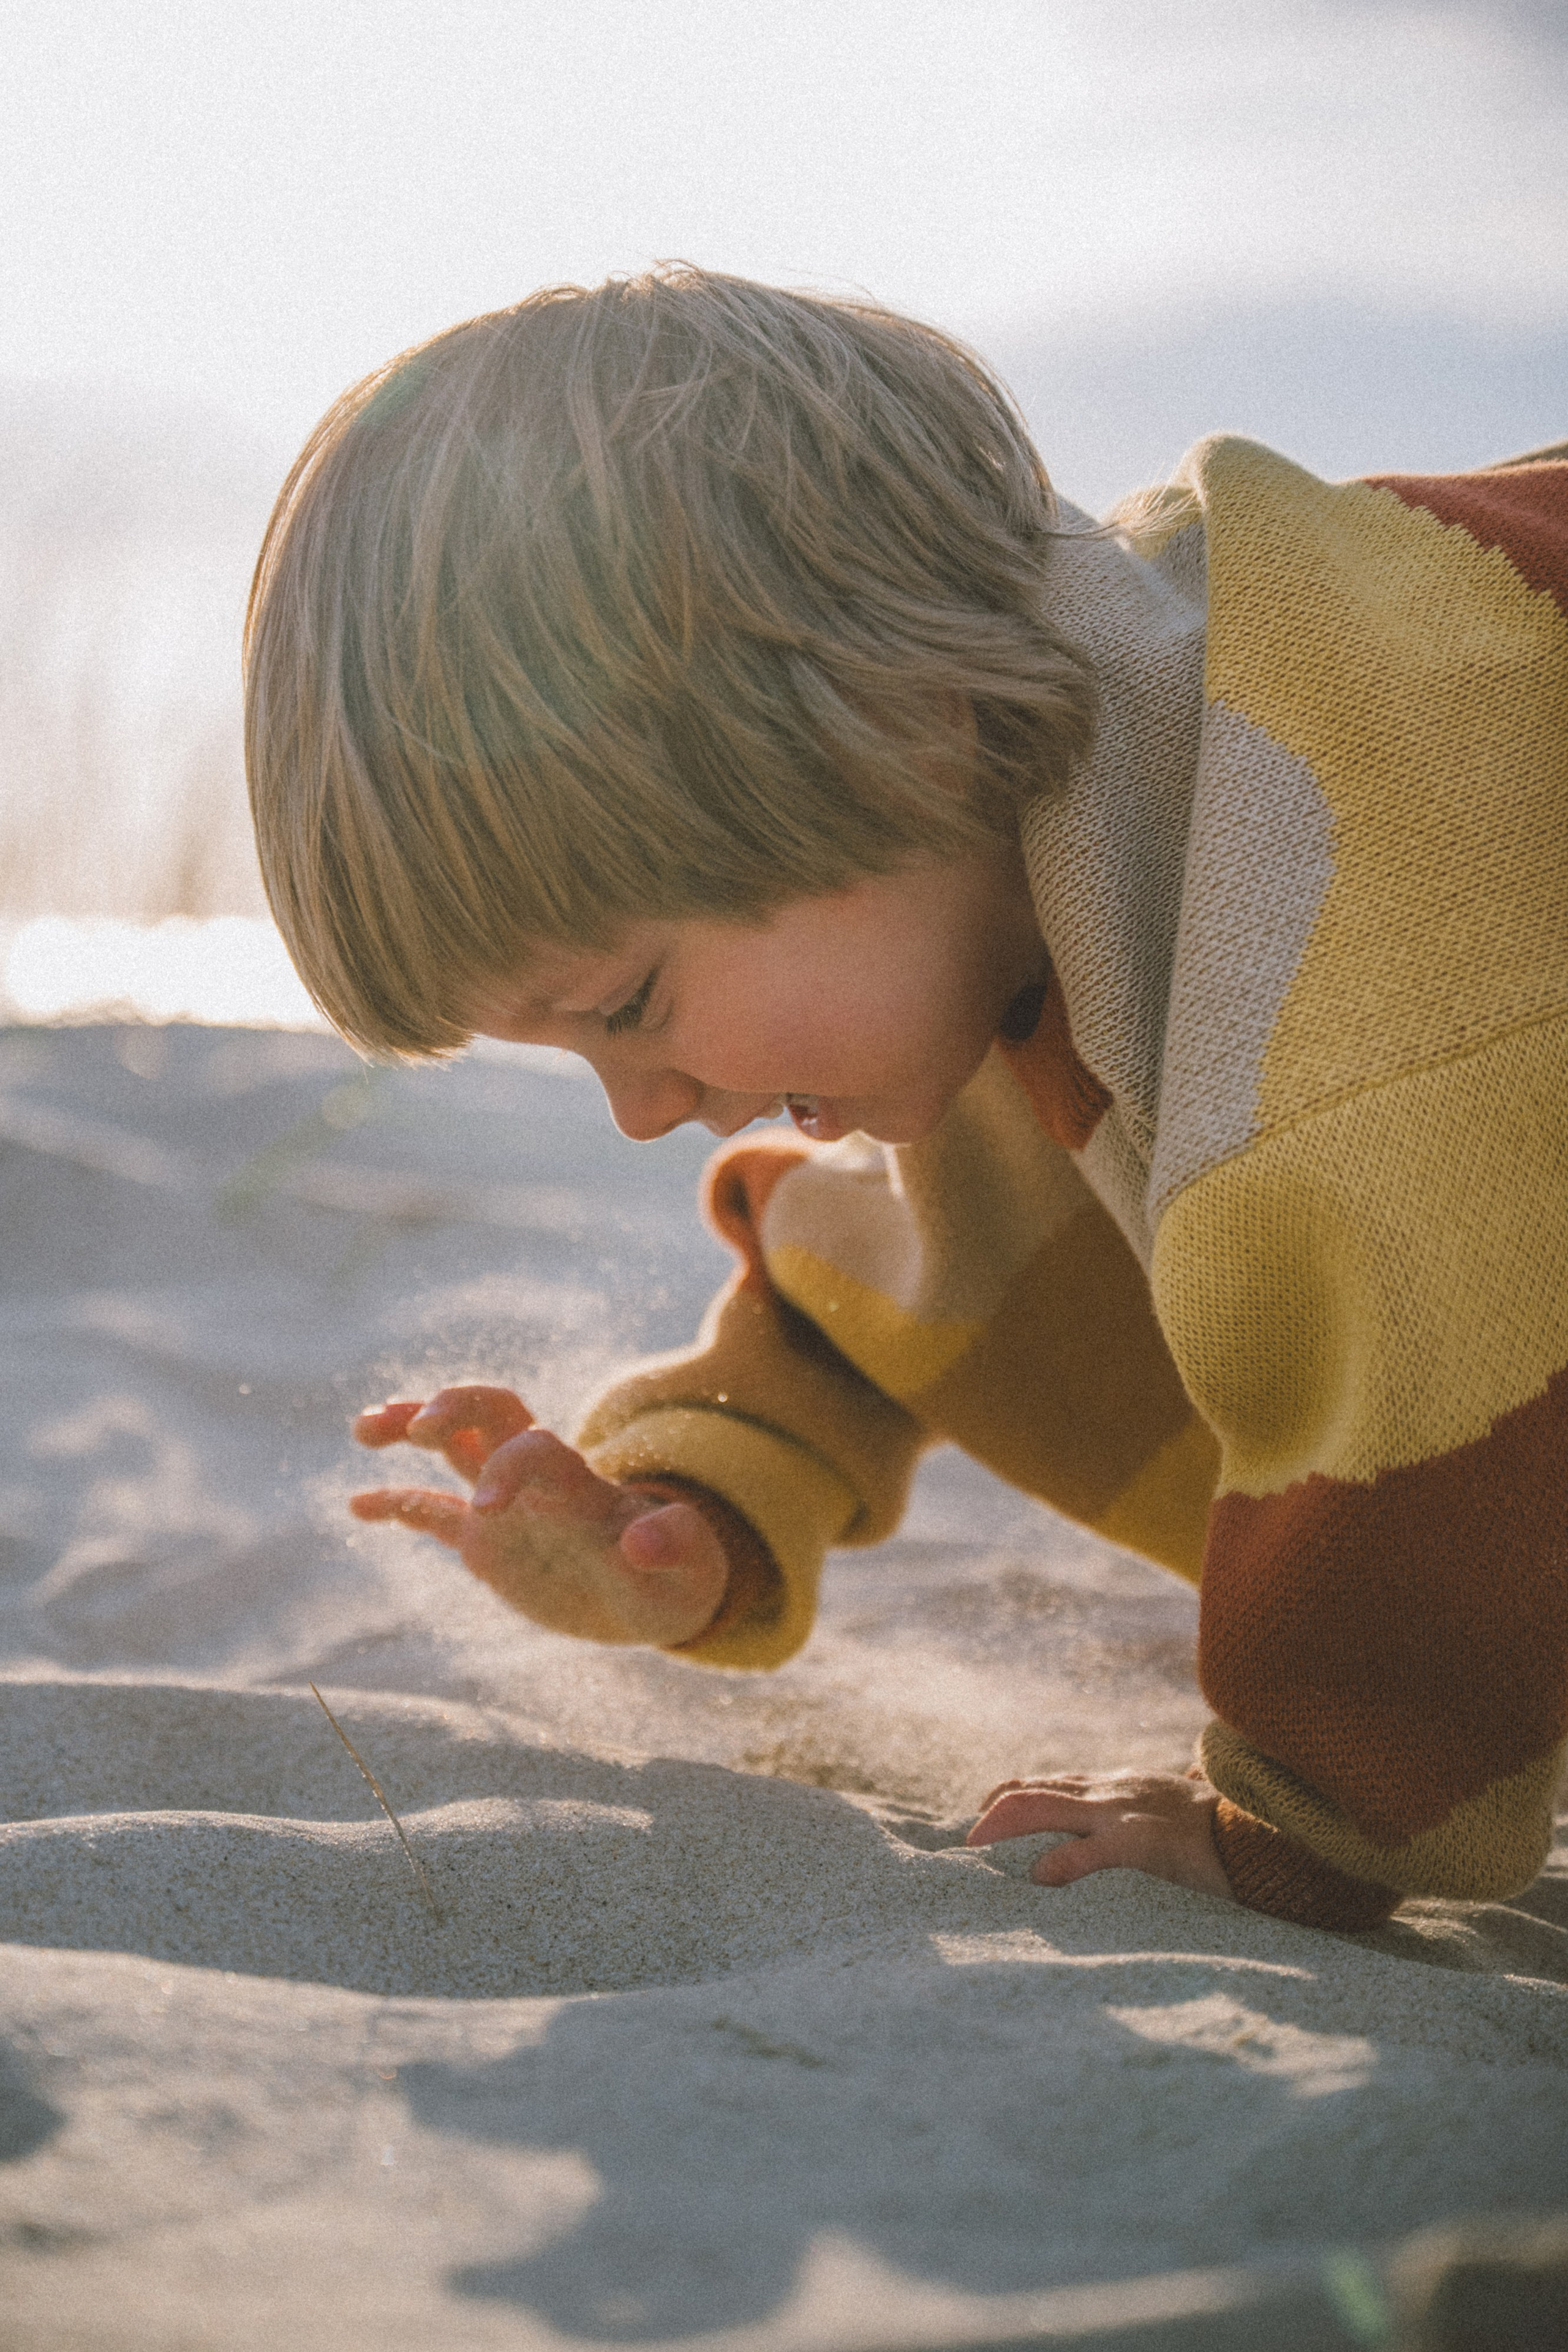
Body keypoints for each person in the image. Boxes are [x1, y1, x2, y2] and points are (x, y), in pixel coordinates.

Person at [244, 265, 1568, 1931]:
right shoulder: (1051, 880)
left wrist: (1303, 1823)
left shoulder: (1342, 885)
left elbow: (1432, 1307)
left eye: (630, 1006)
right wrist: (702, 1508)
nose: (646, 1113)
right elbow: (912, 1252)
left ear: (896, 728)